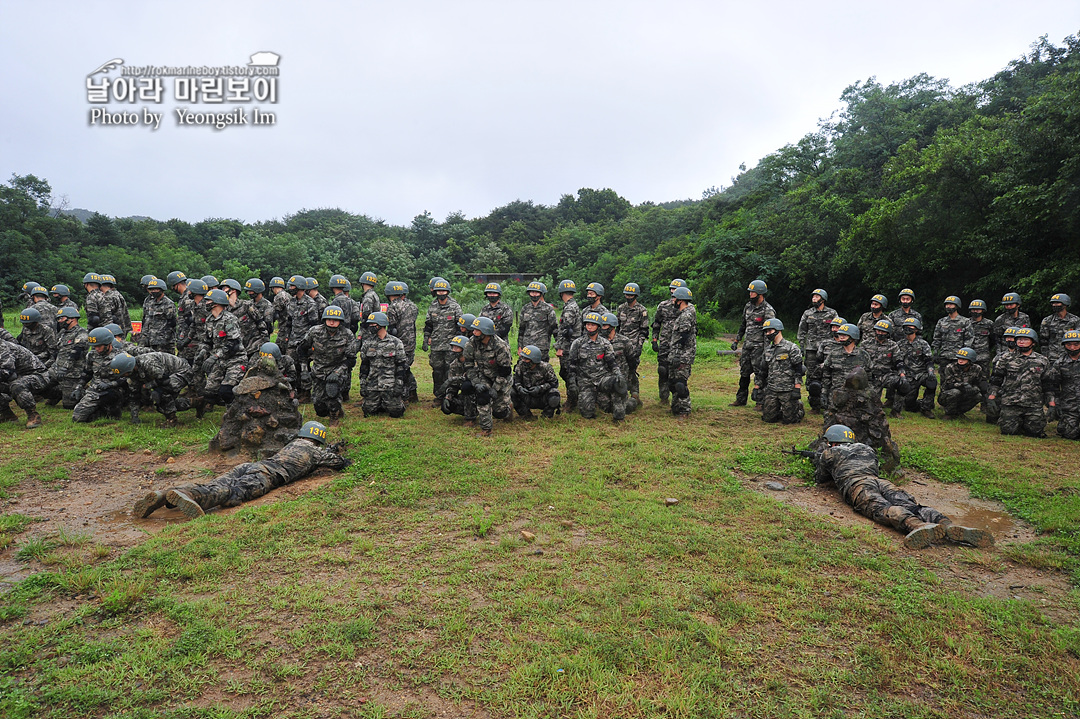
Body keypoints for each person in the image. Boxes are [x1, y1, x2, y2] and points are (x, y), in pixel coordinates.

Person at [811, 424, 993, 549]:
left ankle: (916, 525)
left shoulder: (830, 452)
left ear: (832, 441)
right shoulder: (866, 448)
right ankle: (946, 523)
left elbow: (821, 478)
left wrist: (820, 457)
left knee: (880, 507)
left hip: (857, 483)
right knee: (912, 504)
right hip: (881, 481)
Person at [134, 421, 350, 519]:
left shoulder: (293, 444)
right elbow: (339, 463)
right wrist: (339, 453)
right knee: (231, 494)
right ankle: (192, 497)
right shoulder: (316, 452)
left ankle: (166, 495)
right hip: (267, 476)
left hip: (251, 467)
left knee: (216, 484)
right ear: (319, 440)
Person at [297, 305, 358, 422]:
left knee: (332, 393)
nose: (331, 322)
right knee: (320, 408)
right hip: (318, 371)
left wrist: (337, 372)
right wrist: (304, 370)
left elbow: (351, 359)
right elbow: (301, 350)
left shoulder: (347, 334)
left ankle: (334, 416)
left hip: (338, 370)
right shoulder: (314, 332)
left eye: (335, 320)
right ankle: (336, 410)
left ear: (340, 321)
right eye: (329, 319)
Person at [988, 327, 1051, 437]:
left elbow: (1048, 384)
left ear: (1033, 342)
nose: (1021, 342)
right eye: (1019, 339)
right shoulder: (1005, 358)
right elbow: (996, 380)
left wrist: (1052, 403)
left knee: (1035, 432)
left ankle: (1026, 423)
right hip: (1011, 403)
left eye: (1025, 339)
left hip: (1033, 404)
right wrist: (992, 398)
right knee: (1008, 431)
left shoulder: (1042, 361)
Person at [195, 289, 247, 414]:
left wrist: (215, 356)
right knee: (209, 391)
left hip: (235, 359)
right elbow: (207, 341)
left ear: (217, 302)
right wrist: (202, 352)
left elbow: (233, 344)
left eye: (208, 300)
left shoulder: (230, 319)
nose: (206, 302)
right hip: (220, 360)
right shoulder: (209, 320)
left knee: (226, 391)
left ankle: (234, 414)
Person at [110, 351, 194, 426]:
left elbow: (164, 380)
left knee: (161, 394)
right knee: (160, 406)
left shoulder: (148, 363)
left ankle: (172, 420)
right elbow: (134, 395)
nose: (124, 377)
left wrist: (147, 386)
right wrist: (134, 416)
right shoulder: (132, 375)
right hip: (166, 378)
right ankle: (195, 402)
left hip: (182, 372)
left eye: (124, 374)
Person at [464, 316, 513, 435]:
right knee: (482, 397)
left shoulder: (501, 346)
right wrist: (476, 383)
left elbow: (504, 371)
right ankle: (486, 429)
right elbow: (469, 366)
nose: (473, 332)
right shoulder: (471, 343)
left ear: (486, 332)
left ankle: (509, 408)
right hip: (483, 376)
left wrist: (495, 388)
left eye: (477, 330)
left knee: (499, 412)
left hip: (501, 379)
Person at [568, 312, 621, 421]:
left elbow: (612, 363)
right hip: (585, 381)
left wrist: (618, 375)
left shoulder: (605, 344)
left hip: (602, 379)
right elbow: (572, 365)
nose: (590, 327)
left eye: (593, 324)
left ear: (598, 326)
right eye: (588, 324)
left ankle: (619, 410)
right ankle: (591, 400)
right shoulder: (577, 343)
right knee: (587, 412)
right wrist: (572, 381)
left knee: (616, 386)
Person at [731, 279, 775, 407]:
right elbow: (743, 325)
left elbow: (770, 332)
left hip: (760, 348)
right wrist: (737, 340)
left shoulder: (768, 310)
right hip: (747, 346)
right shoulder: (747, 307)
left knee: (760, 374)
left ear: (760, 294)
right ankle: (741, 399)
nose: (750, 294)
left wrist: (767, 351)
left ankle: (760, 402)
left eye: (753, 292)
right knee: (744, 373)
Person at [422, 278, 463, 407]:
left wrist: (458, 343)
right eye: (439, 291)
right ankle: (439, 396)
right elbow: (429, 324)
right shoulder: (433, 306)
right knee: (437, 371)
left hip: (451, 346)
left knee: (449, 371)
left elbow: (460, 326)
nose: (441, 293)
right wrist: (426, 338)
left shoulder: (455, 306)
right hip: (436, 345)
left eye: (443, 291)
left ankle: (450, 395)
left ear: (448, 291)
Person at [359, 312, 408, 418]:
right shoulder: (367, 343)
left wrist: (399, 384)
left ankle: (390, 402)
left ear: (381, 324)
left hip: (390, 385)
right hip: (373, 384)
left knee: (396, 412)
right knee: (368, 412)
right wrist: (363, 384)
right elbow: (364, 366)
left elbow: (401, 365)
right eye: (370, 325)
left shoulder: (396, 343)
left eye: (373, 324)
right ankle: (379, 403)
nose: (371, 327)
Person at [755, 318, 804, 424]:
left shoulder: (791, 348)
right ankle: (778, 409)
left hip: (787, 389)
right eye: (766, 331)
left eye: (770, 331)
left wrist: (797, 388)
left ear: (778, 330)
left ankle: (798, 408)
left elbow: (798, 370)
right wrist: (756, 388)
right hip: (772, 389)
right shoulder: (768, 350)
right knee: (768, 419)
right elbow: (762, 371)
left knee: (790, 421)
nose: (768, 334)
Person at [798, 288, 837, 413]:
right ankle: (815, 405)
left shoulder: (832, 313)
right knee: (812, 376)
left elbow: (839, 329)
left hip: (828, 349)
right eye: (813, 296)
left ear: (823, 299)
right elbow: (802, 330)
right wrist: (801, 346)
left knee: (827, 375)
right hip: (811, 349)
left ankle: (828, 402)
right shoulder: (807, 313)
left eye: (816, 296)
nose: (814, 298)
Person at [821, 323, 872, 418]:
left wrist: (868, 395)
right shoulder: (833, 354)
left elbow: (869, 376)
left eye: (844, 335)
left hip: (857, 394)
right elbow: (826, 375)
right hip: (837, 393)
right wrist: (824, 393)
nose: (841, 337)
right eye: (840, 335)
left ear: (853, 337)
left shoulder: (863, 355)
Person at [0, 338, 50, 428]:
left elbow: (8, 372)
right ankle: (7, 414)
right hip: (17, 377)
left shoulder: (3, 348)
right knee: (15, 383)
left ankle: (33, 415)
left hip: (38, 376)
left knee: (16, 385)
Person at [652, 279, 685, 405]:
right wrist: (654, 340)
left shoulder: (685, 308)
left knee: (677, 372)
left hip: (678, 344)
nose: (672, 292)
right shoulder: (663, 305)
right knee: (662, 370)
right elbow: (656, 324)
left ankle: (678, 398)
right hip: (665, 343)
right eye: (671, 289)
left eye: (675, 289)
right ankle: (664, 396)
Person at [385, 281, 419, 403]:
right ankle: (413, 392)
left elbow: (392, 328)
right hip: (411, 342)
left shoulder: (392, 307)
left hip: (400, 343)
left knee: (400, 370)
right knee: (406, 367)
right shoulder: (413, 306)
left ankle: (405, 396)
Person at [616, 282, 649, 407]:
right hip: (621, 345)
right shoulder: (620, 308)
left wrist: (639, 346)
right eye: (627, 294)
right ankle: (621, 395)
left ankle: (635, 394)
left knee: (631, 370)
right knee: (620, 370)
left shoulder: (642, 310)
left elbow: (644, 331)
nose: (628, 296)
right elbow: (617, 327)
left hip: (634, 345)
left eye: (631, 295)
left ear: (636, 295)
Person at [896, 317, 936, 419]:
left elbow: (929, 360)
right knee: (909, 405)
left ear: (916, 329)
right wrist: (902, 375)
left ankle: (926, 408)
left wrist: (931, 372)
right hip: (908, 375)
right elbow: (898, 362)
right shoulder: (899, 344)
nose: (908, 329)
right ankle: (918, 404)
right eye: (906, 327)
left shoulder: (923, 344)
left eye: (911, 327)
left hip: (921, 374)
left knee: (932, 381)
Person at [510, 344, 561, 420]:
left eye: (526, 359)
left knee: (554, 394)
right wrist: (520, 388)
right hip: (526, 396)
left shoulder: (545, 368)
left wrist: (540, 388)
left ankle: (546, 416)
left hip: (541, 397)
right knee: (511, 392)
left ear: (534, 360)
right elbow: (516, 381)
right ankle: (525, 414)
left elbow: (554, 383)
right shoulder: (520, 366)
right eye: (523, 358)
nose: (523, 360)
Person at [668, 287, 697, 418]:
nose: (672, 300)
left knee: (680, 383)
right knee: (673, 382)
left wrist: (678, 354)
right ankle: (676, 406)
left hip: (683, 355)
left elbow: (684, 337)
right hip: (676, 353)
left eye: (674, 298)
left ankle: (685, 410)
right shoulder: (682, 314)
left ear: (680, 300)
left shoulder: (686, 315)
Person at [51, 306, 89, 409]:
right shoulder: (62, 333)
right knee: (40, 384)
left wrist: (65, 368)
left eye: (61, 318)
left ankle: (84, 391)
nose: (59, 321)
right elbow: (56, 351)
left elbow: (75, 354)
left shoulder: (81, 333)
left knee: (69, 405)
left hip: (72, 372)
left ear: (71, 319)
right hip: (56, 369)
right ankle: (58, 393)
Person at [602, 312, 638, 414]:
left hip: (620, 377)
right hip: (604, 377)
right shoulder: (600, 341)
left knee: (621, 409)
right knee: (605, 408)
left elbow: (631, 360)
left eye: (605, 326)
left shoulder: (624, 341)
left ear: (612, 327)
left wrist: (630, 376)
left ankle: (633, 401)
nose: (602, 328)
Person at [863, 319, 903, 408]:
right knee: (872, 404)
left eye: (883, 332)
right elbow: (861, 361)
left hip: (886, 375)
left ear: (888, 333)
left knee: (903, 384)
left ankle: (896, 410)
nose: (880, 333)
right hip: (871, 376)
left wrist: (902, 373)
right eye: (878, 330)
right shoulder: (866, 344)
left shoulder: (893, 345)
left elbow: (898, 361)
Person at [554, 279, 582, 409]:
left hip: (569, 346)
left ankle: (572, 401)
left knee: (568, 373)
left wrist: (559, 347)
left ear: (561, 293)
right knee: (567, 373)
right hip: (572, 345)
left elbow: (566, 330)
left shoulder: (569, 308)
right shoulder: (573, 306)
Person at [1048, 329, 1080, 440]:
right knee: (1069, 434)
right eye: (1069, 344)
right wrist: (1054, 404)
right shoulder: (1059, 363)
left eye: (1076, 344)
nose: (1072, 348)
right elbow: (1053, 385)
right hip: (1070, 406)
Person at [938, 347, 986, 420]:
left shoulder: (977, 368)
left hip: (966, 393)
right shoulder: (950, 367)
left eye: (963, 359)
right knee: (955, 392)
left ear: (970, 360)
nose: (960, 361)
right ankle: (949, 413)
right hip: (947, 394)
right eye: (959, 359)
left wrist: (975, 388)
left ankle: (958, 412)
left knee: (978, 395)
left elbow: (981, 382)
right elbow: (949, 384)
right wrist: (963, 385)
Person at [932, 296, 974, 379]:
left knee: (959, 379)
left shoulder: (965, 321)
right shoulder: (941, 321)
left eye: (951, 304)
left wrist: (965, 356)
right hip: (944, 356)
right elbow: (937, 338)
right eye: (947, 305)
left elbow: (969, 339)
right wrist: (935, 351)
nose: (948, 307)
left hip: (959, 357)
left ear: (957, 306)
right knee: (944, 380)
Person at [440, 335, 477, 424]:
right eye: (453, 347)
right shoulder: (454, 364)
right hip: (465, 395)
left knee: (467, 386)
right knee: (448, 405)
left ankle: (471, 418)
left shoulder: (475, 362)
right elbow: (453, 385)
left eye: (457, 348)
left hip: (478, 394)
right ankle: (468, 411)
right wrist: (448, 396)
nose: (453, 350)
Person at [518, 281, 558, 362]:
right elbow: (521, 329)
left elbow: (555, 328)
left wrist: (558, 347)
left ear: (541, 294)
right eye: (532, 292)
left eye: (536, 292)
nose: (534, 295)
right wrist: (519, 347)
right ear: (529, 293)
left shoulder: (548, 309)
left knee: (542, 370)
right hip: (527, 346)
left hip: (541, 347)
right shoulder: (525, 309)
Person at [236, 278, 274, 359]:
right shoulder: (248, 304)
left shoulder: (267, 305)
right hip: (247, 339)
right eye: (248, 291)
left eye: (251, 291)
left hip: (260, 341)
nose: (249, 293)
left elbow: (268, 326)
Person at [176, 278, 210, 368]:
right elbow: (194, 325)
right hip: (198, 341)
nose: (188, 293)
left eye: (190, 291)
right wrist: (187, 339)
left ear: (196, 292)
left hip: (208, 343)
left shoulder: (207, 307)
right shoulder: (193, 305)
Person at [138, 277, 177, 353]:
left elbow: (172, 324)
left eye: (156, 289)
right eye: (152, 289)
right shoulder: (150, 302)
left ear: (162, 289)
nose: (153, 291)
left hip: (163, 342)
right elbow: (146, 320)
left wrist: (165, 339)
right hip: (149, 339)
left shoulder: (168, 303)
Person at [1039, 293, 1080, 363]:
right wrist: (1045, 356)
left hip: (1071, 356)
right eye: (1053, 303)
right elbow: (1043, 341)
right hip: (1053, 357)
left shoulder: (1075, 320)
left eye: (1057, 303)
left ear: (1065, 304)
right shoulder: (1047, 321)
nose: (1055, 305)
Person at [357, 272, 381, 346]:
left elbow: (366, 314)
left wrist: (362, 330)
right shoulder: (374, 295)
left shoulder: (368, 297)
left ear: (363, 283)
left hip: (369, 329)